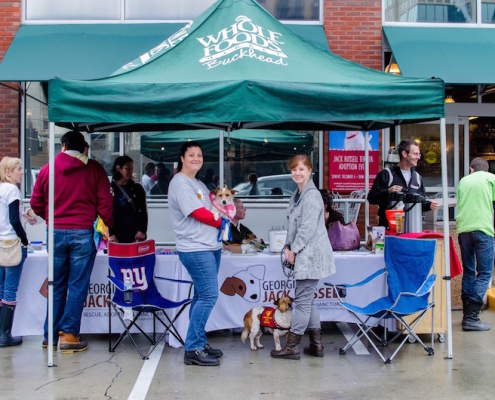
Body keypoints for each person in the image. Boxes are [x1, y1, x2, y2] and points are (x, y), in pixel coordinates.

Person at [30, 130, 113, 352]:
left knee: (56, 285)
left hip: (55, 231)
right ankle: (69, 335)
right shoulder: (94, 169)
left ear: (63, 146)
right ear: (84, 146)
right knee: (77, 285)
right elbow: (106, 204)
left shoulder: (48, 168)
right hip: (83, 232)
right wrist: (105, 224)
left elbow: (37, 202)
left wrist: (50, 217)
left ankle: (50, 335)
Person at [271, 154, 335, 360]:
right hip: (302, 255)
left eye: (301, 169)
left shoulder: (312, 196)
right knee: (307, 299)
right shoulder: (296, 195)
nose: (297, 173)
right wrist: (288, 247)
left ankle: (291, 347)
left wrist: (294, 249)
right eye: (293, 170)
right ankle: (316, 345)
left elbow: (306, 229)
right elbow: (293, 226)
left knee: (303, 301)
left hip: (311, 256)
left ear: (310, 171)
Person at [168, 141, 226, 367]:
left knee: (201, 296)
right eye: (191, 154)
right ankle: (192, 348)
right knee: (210, 295)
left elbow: (213, 207)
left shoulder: (198, 183)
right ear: (182, 158)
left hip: (209, 246)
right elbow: (197, 212)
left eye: (199, 155)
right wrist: (221, 221)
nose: (196, 158)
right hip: (195, 248)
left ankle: (198, 341)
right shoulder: (180, 183)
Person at [456, 157, 495, 331]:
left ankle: (467, 313)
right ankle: (472, 317)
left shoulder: (463, 181)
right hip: (483, 230)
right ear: (485, 169)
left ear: (471, 169)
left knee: (469, 271)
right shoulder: (491, 178)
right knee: (485, 273)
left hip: (464, 230)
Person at [367, 139, 437, 228]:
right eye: (415, 154)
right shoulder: (387, 174)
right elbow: (371, 198)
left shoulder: (417, 177)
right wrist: (388, 191)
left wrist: (429, 205)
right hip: (388, 230)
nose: (418, 157)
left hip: (412, 229)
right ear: (404, 154)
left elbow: (420, 203)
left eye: (418, 154)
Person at [0, 157, 29, 347]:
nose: (22, 172)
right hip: (12, 244)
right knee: (10, 290)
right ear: (8, 172)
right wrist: (25, 240)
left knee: (2, 289)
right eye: (19, 168)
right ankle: (5, 335)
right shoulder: (13, 190)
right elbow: (14, 220)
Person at [108, 156, 148, 243]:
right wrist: (110, 233)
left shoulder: (137, 188)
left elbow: (143, 211)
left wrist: (142, 230)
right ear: (118, 168)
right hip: (116, 235)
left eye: (132, 169)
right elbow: (107, 212)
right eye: (127, 169)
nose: (131, 172)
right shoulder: (110, 189)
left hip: (135, 234)